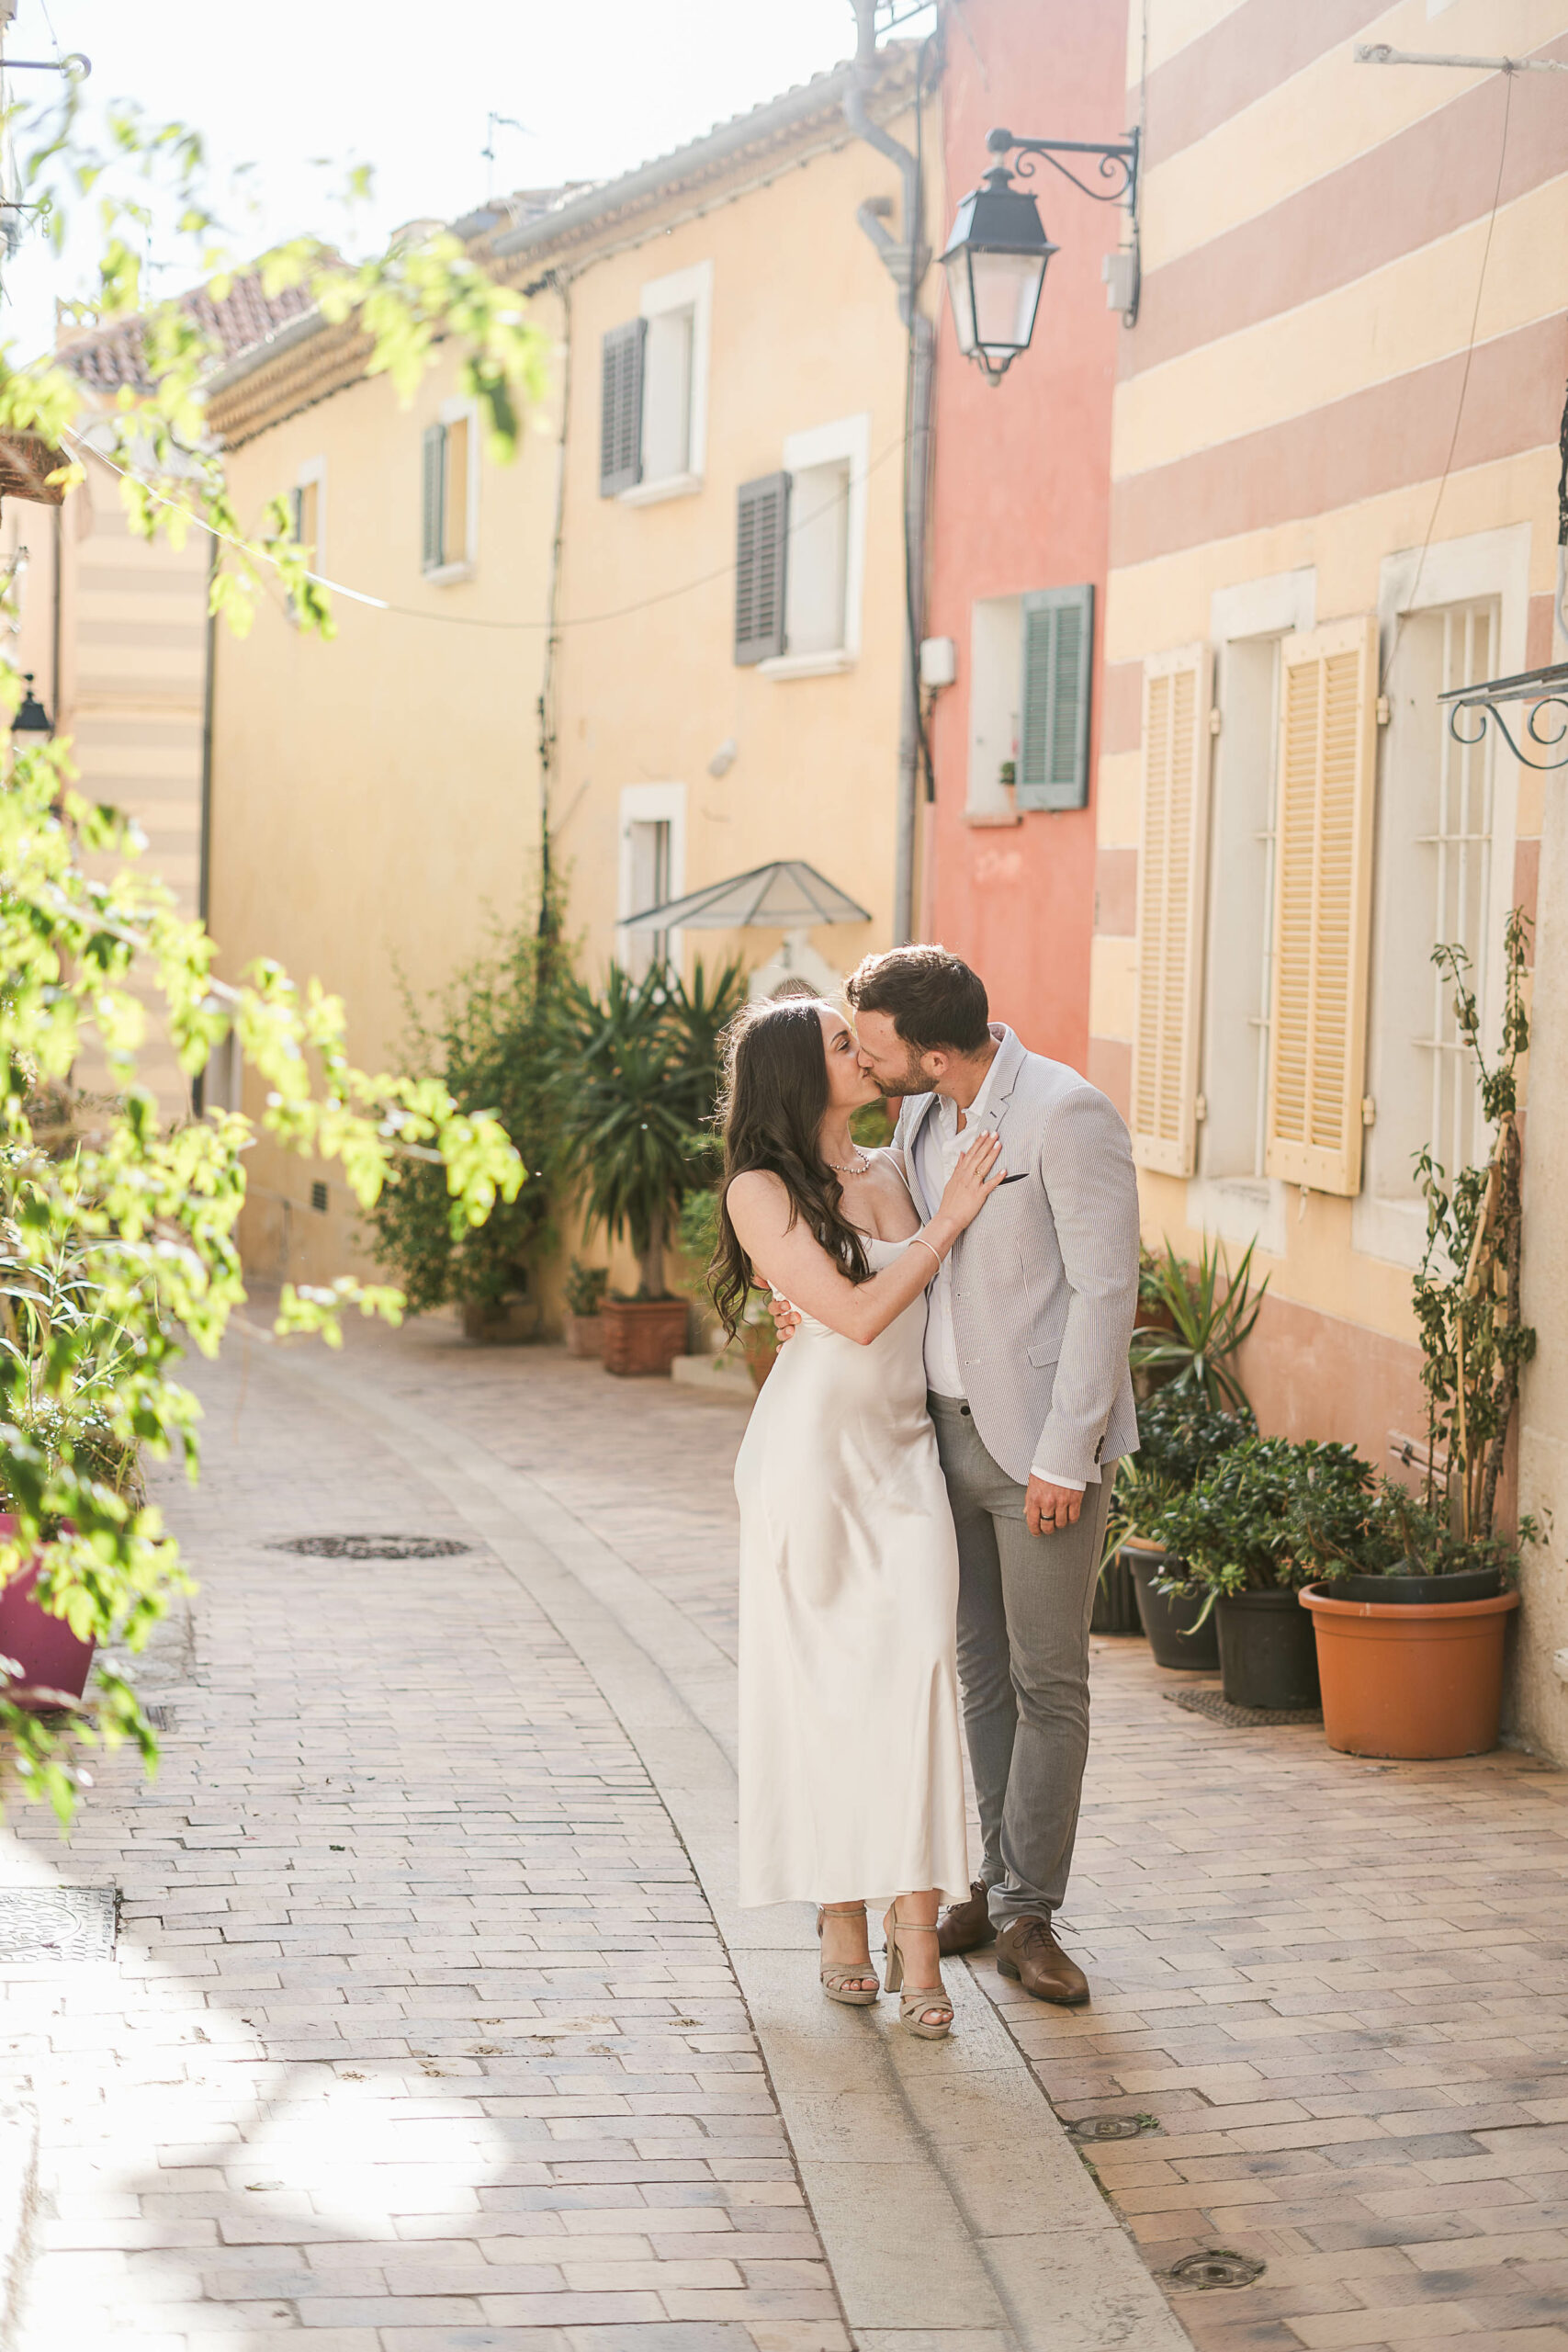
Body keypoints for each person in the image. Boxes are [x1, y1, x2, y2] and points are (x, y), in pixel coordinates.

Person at [783, 946, 1141, 2007]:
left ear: (932, 1049)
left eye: (874, 1042)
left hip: (1039, 1452)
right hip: (937, 1441)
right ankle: (991, 1882)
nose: (863, 1055)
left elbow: (1105, 1292)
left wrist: (1063, 1455)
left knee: (1050, 1680)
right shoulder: (928, 1116)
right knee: (979, 1675)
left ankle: (1032, 1913)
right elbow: (888, 1245)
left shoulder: (1067, 1115)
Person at [715, 993, 1006, 2037]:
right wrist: (948, 1226)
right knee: (822, 1690)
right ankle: (844, 1915)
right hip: (809, 1462)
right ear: (801, 1071)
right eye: (843, 1041)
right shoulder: (759, 1190)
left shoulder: (895, 1169)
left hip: (903, 1456)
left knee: (920, 1673)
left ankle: (917, 1933)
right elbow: (851, 1310)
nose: (864, 1049)